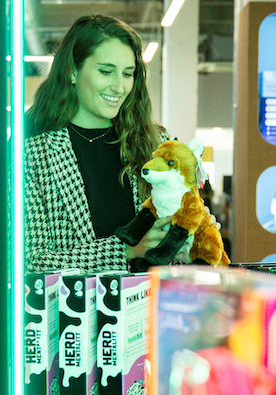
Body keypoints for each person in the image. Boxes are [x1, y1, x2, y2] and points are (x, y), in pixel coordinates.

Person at [25, 14, 204, 272]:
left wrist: (192, 240)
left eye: (128, 74)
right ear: (72, 72)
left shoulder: (157, 144)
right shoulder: (35, 154)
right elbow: (30, 261)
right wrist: (124, 249)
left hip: (150, 307)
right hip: (76, 309)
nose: (119, 87)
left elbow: (187, 225)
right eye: (106, 71)